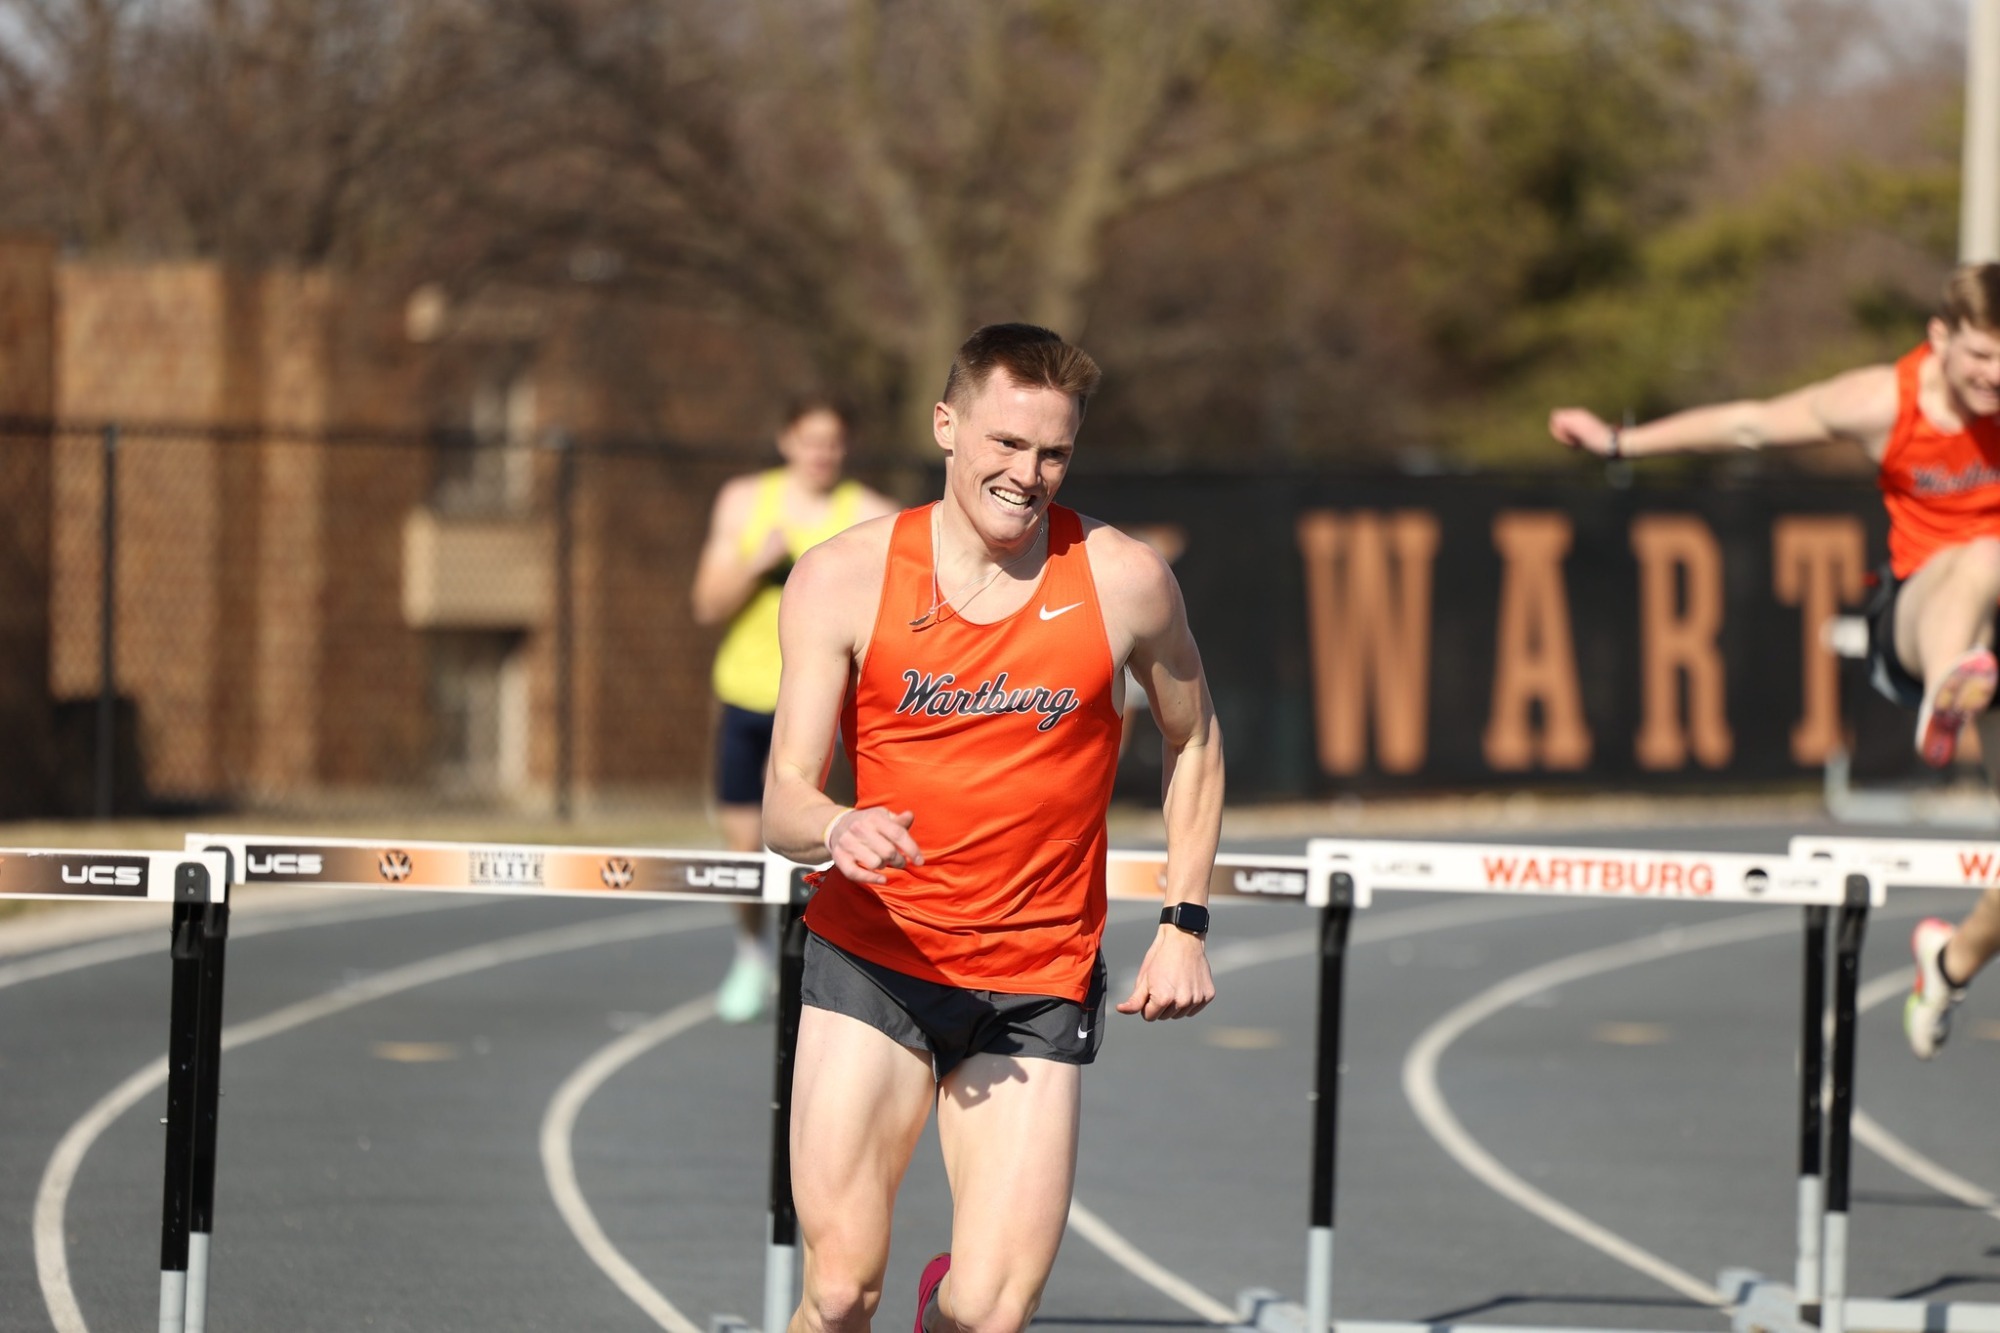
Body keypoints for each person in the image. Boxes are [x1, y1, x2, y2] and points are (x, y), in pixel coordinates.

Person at [763, 323, 1224, 1333]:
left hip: (1034, 981)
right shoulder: (842, 576)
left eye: (1052, 452)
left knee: (988, 1311)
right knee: (838, 1291)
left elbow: (1193, 742)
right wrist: (837, 825)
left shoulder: (1121, 579)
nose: (1027, 475)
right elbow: (783, 799)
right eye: (1005, 445)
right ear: (946, 425)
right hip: (876, 959)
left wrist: (1183, 921)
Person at [1549, 261, 2000, 1060]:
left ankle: (1950, 959)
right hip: (1920, 620)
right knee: (1979, 557)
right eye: (1980, 358)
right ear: (1940, 338)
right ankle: (1947, 694)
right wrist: (1620, 440)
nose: (1994, 376)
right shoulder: (1880, 402)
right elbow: (1751, 422)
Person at [691, 397, 895, 1022]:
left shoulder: (868, 515)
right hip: (746, 694)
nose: (821, 454)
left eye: (832, 442)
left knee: (812, 832)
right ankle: (751, 949)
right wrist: (758, 562)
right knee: (746, 844)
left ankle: (818, 952)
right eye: (810, 440)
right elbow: (705, 604)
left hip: (820, 702)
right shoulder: (746, 502)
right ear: (786, 440)